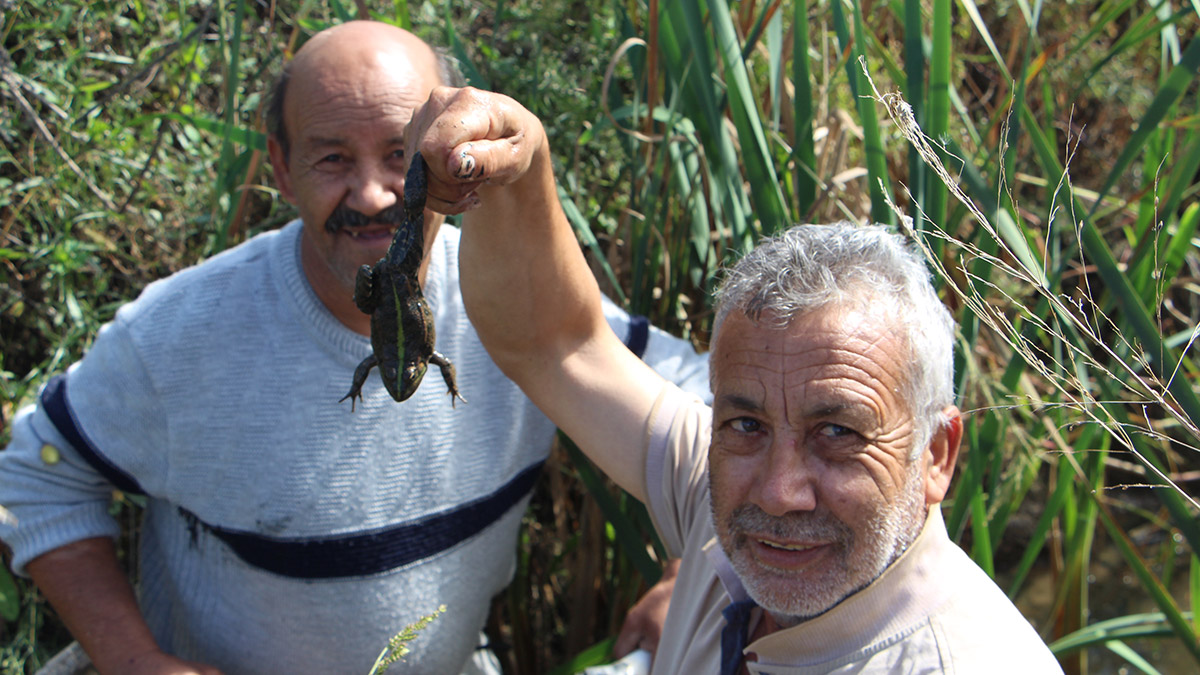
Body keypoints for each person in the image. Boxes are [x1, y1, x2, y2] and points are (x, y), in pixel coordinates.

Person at [0, 22, 705, 675]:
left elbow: (715, 407)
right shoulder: (176, 333)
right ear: (280, 167)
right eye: (333, 157)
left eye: (402, 155)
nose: (372, 195)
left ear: (449, 160)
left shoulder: (524, 307)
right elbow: (34, 478)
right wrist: (134, 660)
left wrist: (692, 571)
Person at [407, 87, 1065, 673]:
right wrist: (516, 161)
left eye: (837, 431)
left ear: (937, 454)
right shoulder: (717, 487)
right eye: (745, 421)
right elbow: (554, 342)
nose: (778, 492)